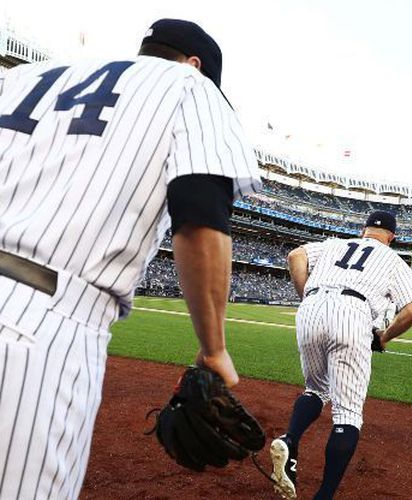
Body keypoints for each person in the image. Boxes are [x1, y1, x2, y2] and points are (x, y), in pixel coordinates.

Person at [0, 18, 261, 498]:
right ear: (197, 64)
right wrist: (213, 347)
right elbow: (200, 214)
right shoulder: (191, 87)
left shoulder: (24, 77)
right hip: (39, 327)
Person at [270, 211, 412, 499]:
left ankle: (290, 439)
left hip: (311, 306)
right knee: (348, 414)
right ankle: (324, 495)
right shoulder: (392, 259)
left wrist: (308, 297)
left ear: (362, 230)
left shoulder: (334, 243)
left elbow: (295, 256)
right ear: (392, 237)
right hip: (353, 313)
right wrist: (384, 336)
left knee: (315, 389)